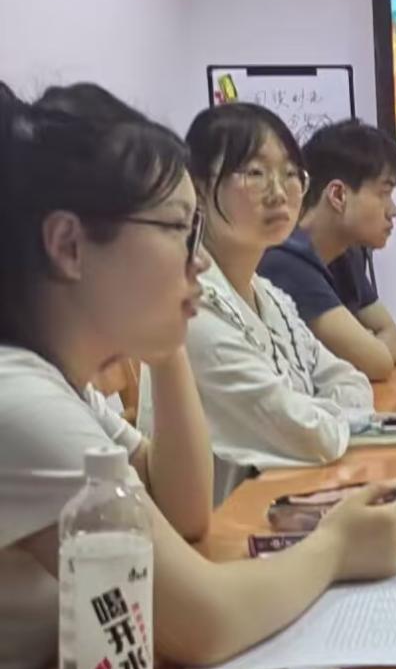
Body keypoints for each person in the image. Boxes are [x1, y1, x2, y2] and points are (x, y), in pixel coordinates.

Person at [0, 85, 396, 669]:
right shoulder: (18, 395)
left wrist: (167, 346)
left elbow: (184, 512)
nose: (197, 262)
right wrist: (336, 547)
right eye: (176, 230)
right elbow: (205, 622)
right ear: (69, 246)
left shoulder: (64, 385)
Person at [144, 103, 374, 471]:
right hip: (231, 505)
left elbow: (351, 382)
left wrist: (318, 414)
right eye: (255, 173)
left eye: (290, 173)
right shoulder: (192, 308)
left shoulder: (271, 297)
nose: (279, 192)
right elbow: (312, 437)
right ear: (198, 189)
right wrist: (328, 415)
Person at [258, 120, 396, 381]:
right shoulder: (286, 262)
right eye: (384, 193)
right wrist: (371, 347)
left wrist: (371, 348)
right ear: (338, 195)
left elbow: (394, 337)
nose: (393, 211)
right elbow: (378, 363)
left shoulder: (345, 253)